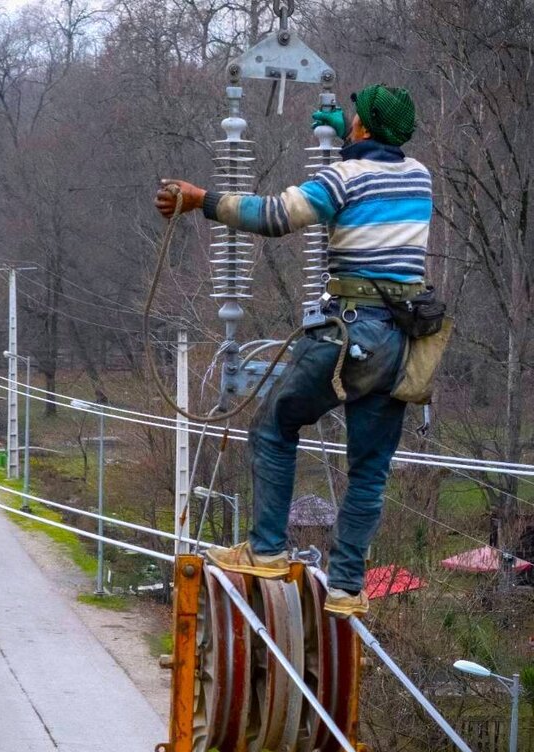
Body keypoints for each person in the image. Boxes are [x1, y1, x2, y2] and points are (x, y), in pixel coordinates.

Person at [155, 84, 430, 617]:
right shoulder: (419, 176)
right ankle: (349, 586)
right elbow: (372, 171)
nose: (348, 119)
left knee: (274, 426)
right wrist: (344, 135)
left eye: (354, 117)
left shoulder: (344, 179)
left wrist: (201, 201)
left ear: (365, 128)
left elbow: (276, 216)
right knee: (370, 468)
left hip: (348, 334)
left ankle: (267, 549)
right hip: (402, 343)